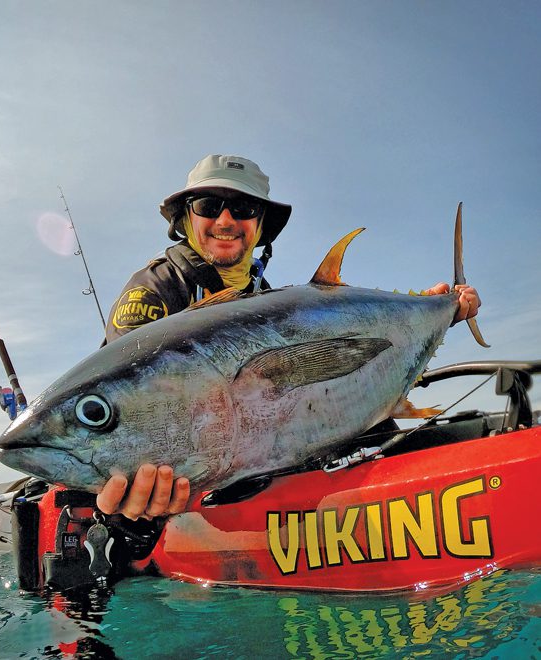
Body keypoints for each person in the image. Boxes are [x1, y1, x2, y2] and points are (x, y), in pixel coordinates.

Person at [95, 154, 481, 522]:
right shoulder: (154, 291)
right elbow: (131, 408)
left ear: (261, 224)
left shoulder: (266, 297)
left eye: (244, 209)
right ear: (186, 217)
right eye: (209, 205)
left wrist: (440, 310)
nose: (225, 220)